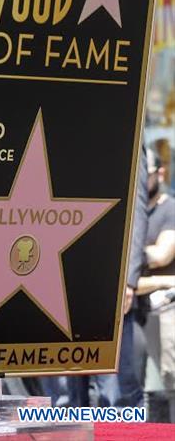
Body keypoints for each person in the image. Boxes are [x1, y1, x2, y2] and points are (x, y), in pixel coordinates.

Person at [136, 148, 175, 422]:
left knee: (169, 383)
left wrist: (130, 253)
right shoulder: (136, 211)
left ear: (160, 173)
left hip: (166, 312)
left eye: (145, 173)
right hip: (137, 311)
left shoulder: (170, 208)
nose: (140, 178)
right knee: (144, 391)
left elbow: (163, 255)